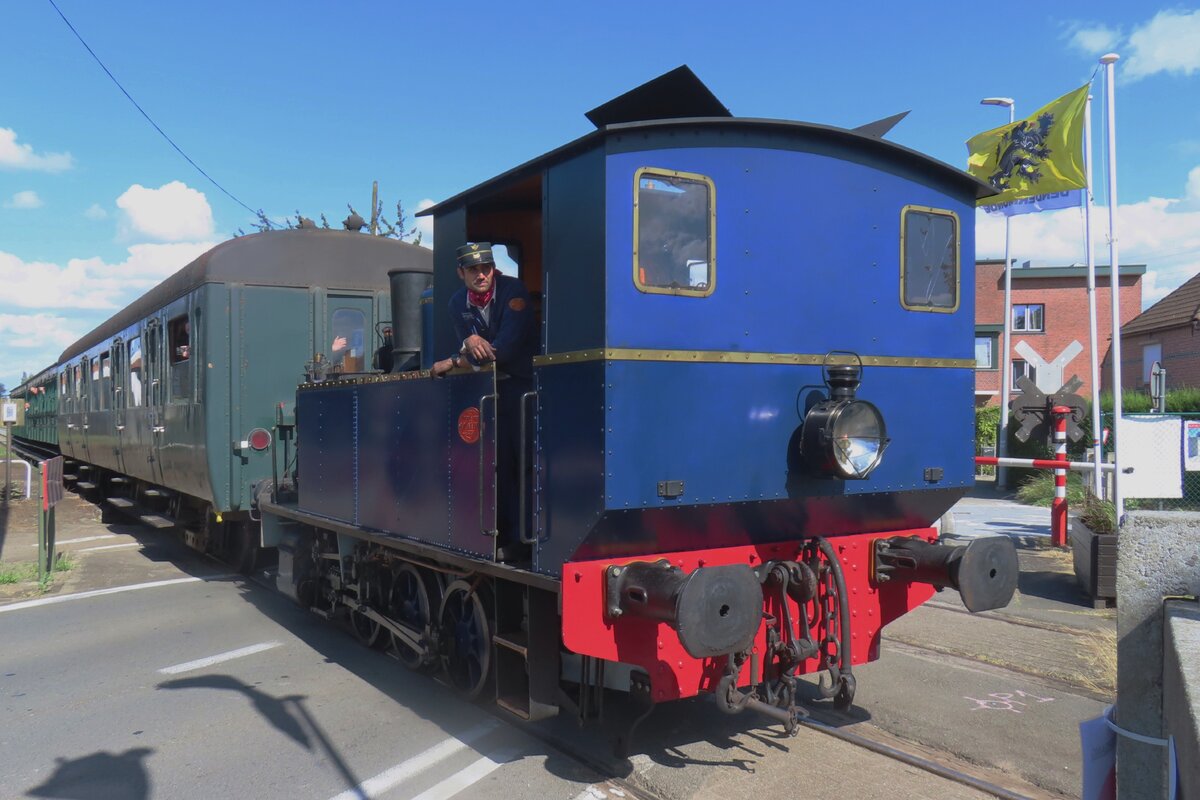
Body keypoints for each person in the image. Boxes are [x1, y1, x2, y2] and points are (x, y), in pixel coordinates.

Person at [432, 242, 537, 560]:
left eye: (486, 268)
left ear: (494, 269)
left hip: (521, 389)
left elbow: (499, 353)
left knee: (524, 466)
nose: (481, 275)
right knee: (494, 465)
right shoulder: (455, 303)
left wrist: (453, 360)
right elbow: (473, 349)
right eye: (474, 270)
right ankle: (500, 535)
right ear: (460, 273)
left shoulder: (513, 291)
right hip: (490, 393)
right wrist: (469, 341)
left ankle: (525, 541)